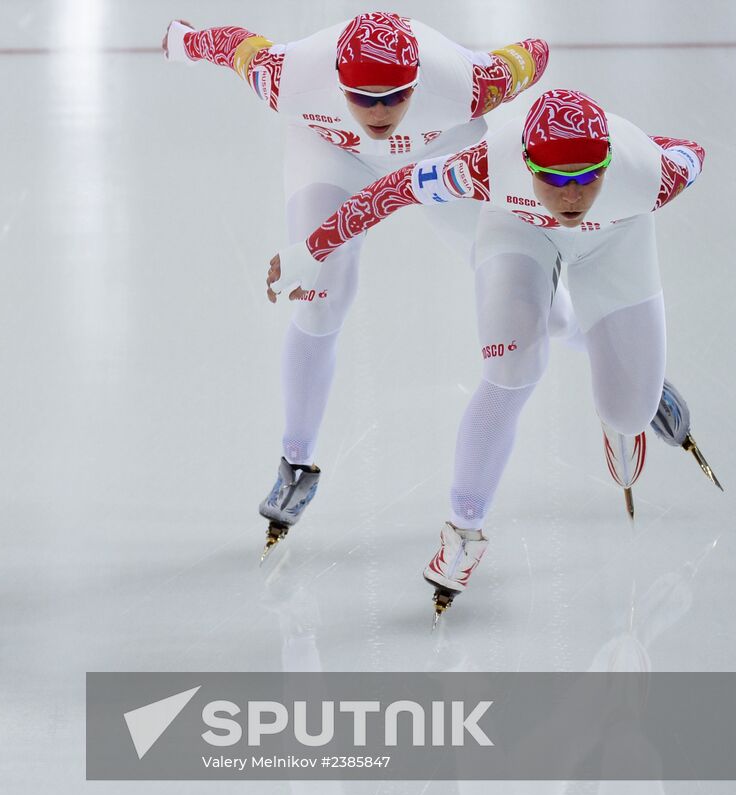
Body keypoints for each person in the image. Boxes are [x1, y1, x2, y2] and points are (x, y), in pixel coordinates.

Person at [267, 89, 716, 616]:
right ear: (526, 164)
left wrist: (644, 145)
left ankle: (635, 393)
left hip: (615, 242)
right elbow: (389, 192)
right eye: (552, 178)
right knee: (511, 367)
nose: (570, 196)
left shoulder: (654, 174)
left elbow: (692, 150)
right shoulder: (482, 166)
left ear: (611, 163)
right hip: (517, 229)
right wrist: (309, 250)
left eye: (586, 176)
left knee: (628, 411)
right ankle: (464, 531)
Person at [163, 12, 552, 557]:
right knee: (322, 298)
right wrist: (182, 40)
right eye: (361, 97)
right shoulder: (289, 77)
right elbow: (231, 45)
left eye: (393, 96)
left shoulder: (467, 83)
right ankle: (294, 461)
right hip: (332, 154)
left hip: (439, 152)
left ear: (417, 81)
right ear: (337, 82)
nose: (378, 111)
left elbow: (533, 53)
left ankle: (600, 345)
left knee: (528, 294)